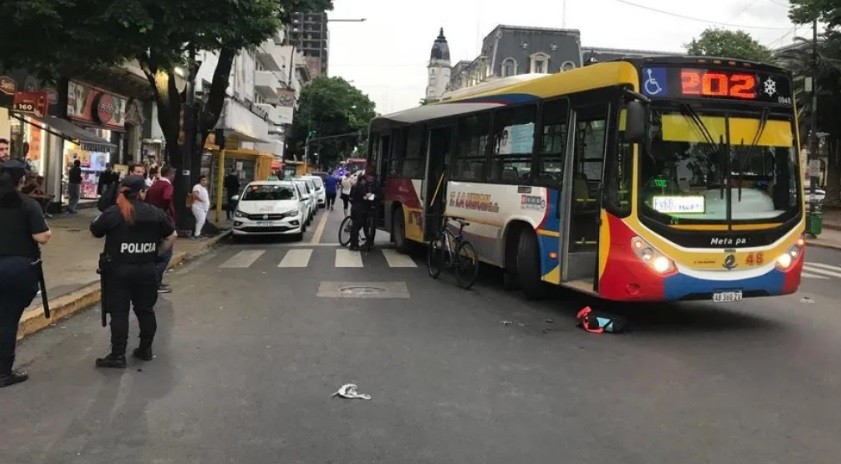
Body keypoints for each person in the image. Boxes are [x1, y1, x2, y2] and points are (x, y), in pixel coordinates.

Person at [90, 175, 177, 368]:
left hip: (118, 272)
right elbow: (172, 235)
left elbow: (95, 229)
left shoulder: (113, 212)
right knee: (145, 310)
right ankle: (145, 349)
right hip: (146, 270)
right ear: (142, 193)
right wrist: (156, 252)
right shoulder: (155, 213)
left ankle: (117, 355)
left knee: (119, 313)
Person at [0, 159, 52, 387]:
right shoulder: (28, 204)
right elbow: (41, 236)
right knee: (8, 320)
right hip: (16, 268)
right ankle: (3, 371)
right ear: (22, 180)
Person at [145, 166, 176, 294]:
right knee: (166, 253)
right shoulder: (167, 186)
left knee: (155, 251)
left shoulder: (154, 184)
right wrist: (166, 211)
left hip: (151, 221)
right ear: (171, 174)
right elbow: (167, 197)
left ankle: (153, 280)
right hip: (163, 222)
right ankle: (155, 282)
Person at [348, 170, 382, 251]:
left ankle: (355, 244)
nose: (367, 180)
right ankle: (355, 244)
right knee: (358, 227)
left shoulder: (355, 186)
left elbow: (350, 197)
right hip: (360, 210)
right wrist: (368, 196)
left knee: (356, 227)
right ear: (362, 180)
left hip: (355, 208)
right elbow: (364, 197)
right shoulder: (361, 187)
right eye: (365, 179)